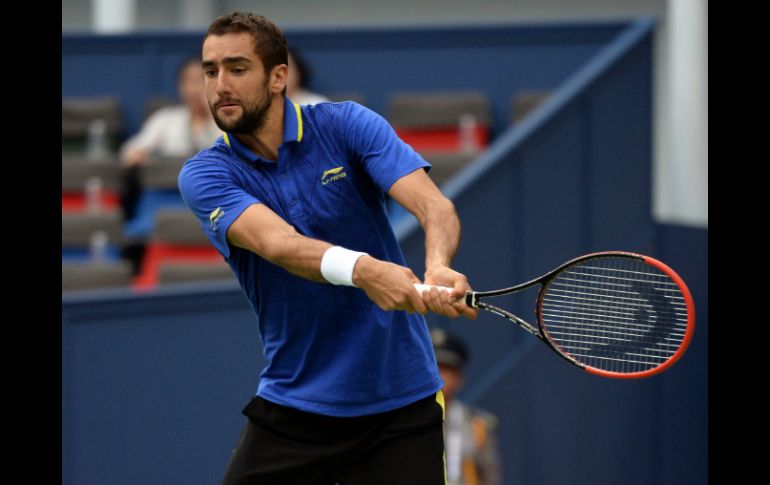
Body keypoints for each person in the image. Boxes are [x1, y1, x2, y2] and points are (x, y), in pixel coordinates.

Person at [178, 12, 478, 485]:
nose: (218, 86)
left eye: (237, 69)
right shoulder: (206, 174)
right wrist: (364, 270)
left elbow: (434, 206)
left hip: (401, 404)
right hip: (296, 404)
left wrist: (437, 264)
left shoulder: (347, 125)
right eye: (209, 71)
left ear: (279, 77)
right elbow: (278, 244)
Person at [119, 58, 221, 221]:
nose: (196, 88)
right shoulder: (165, 119)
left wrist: (212, 112)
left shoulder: (225, 121)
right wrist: (139, 155)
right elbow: (130, 151)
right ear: (181, 87)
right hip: (163, 196)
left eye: (203, 80)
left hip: (210, 196)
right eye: (190, 81)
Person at [431, 328, 502, 485]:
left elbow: (490, 478)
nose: (438, 376)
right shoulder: (405, 421)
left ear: (460, 378)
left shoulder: (478, 425)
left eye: (446, 370)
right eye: (434, 367)